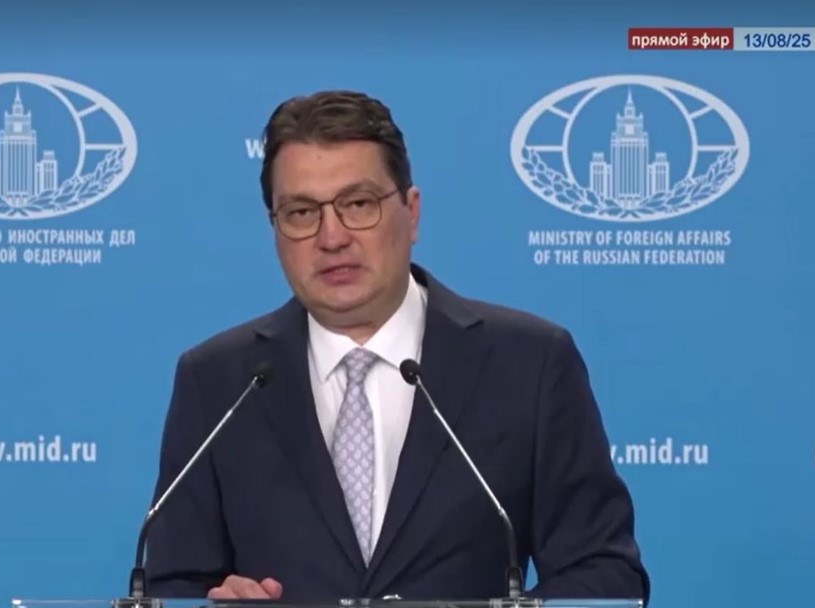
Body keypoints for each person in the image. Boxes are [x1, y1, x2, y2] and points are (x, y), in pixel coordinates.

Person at [143, 90, 650, 603]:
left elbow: (604, 574)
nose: (332, 237)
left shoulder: (529, 364)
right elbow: (170, 588)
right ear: (275, 229)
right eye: (301, 212)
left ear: (411, 213)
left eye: (358, 204)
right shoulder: (217, 381)